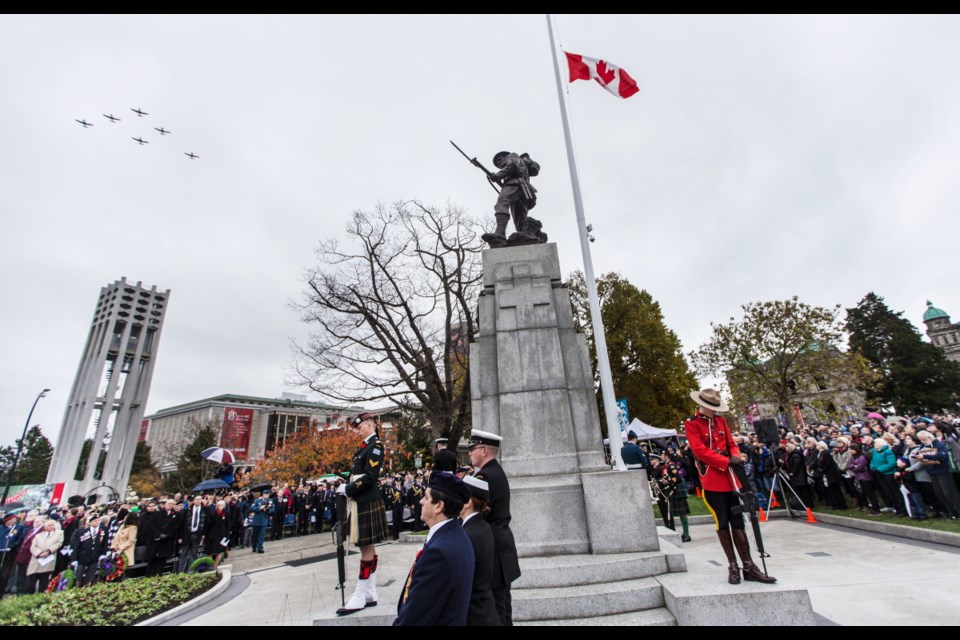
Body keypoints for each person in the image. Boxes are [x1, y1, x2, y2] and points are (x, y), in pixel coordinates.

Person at [684, 388, 776, 585]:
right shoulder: (692, 424)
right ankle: (732, 565)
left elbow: (730, 443)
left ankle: (749, 566)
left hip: (731, 477)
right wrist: (725, 462)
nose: (713, 411)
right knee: (722, 522)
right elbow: (699, 451)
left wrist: (735, 454)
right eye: (710, 407)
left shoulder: (721, 421)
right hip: (712, 478)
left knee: (738, 522)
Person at [394, 472, 475, 626]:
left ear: (439, 506)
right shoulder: (457, 535)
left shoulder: (438, 553)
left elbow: (414, 619)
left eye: (426, 497)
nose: (421, 501)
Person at [337, 412, 389, 616]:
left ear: (370, 425)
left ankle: (361, 593)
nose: (358, 430)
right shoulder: (365, 447)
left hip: (366, 499)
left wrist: (348, 489)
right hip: (362, 499)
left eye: (360, 427)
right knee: (367, 547)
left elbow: (370, 477)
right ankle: (369, 592)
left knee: (365, 546)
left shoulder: (375, 446)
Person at [469, 429, 521, 625]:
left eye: (473, 449)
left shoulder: (484, 477)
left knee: (496, 612)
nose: (470, 453)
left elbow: (476, 514)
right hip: (502, 545)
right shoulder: (495, 471)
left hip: (493, 550)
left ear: (483, 451)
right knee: (503, 608)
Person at [459, 475, 501, 626]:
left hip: (475, 616)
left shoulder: (468, 534)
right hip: (486, 612)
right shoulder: (481, 526)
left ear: (468, 502)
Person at [482, 151, 542, 247]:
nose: (499, 163)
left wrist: (498, 175)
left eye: (500, 159)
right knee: (520, 219)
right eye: (497, 163)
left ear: (506, 156)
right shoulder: (516, 164)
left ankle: (500, 234)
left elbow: (512, 165)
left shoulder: (512, 156)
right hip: (523, 189)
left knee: (501, 204)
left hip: (515, 185)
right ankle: (526, 237)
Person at [26, 519, 62, 593]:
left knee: (43, 582)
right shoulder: (38, 535)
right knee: (31, 582)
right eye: (49, 525)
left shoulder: (59, 533)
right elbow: (33, 547)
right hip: (36, 560)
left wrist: (48, 551)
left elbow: (58, 543)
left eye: (53, 525)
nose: (51, 527)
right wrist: (39, 553)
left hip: (48, 560)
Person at [71, 515, 106, 587]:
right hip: (83, 556)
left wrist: (103, 553)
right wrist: (74, 559)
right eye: (94, 521)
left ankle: (86, 586)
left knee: (90, 574)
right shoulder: (83, 532)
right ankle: (77, 587)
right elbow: (77, 546)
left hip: (95, 556)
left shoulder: (102, 531)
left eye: (98, 521)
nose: (97, 522)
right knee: (79, 574)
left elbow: (104, 543)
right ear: (90, 523)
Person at [179, 495, 208, 573]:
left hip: (197, 534)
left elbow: (206, 523)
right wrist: (180, 537)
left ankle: (191, 571)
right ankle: (181, 572)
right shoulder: (186, 510)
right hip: (187, 534)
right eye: (196, 499)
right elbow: (181, 524)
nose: (198, 501)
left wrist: (203, 534)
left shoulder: (204, 510)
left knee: (194, 554)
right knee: (184, 554)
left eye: (199, 499)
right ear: (193, 501)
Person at [110, 512, 138, 576]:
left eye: (126, 516)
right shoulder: (122, 526)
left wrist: (121, 547)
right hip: (116, 550)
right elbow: (116, 537)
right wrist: (113, 546)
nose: (125, 517)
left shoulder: (133, 527)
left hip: (125, 551)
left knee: (123, 569)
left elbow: (131, 540)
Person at [204, 501, 230, 568]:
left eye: (222, 505)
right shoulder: (213, 514)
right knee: (210, 551)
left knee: (220, 551)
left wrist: (227, 534)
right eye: (219, 505)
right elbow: (208, 525)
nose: (220, 506)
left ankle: (214, 566)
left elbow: (228, 525)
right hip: (213, 534)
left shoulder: (226, 514)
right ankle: (210, 565)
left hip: (223, 534)